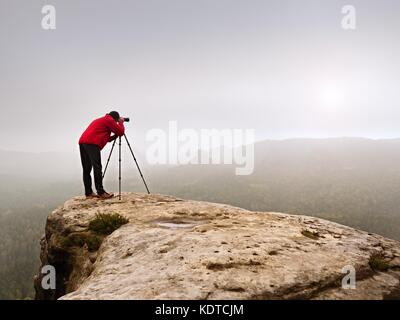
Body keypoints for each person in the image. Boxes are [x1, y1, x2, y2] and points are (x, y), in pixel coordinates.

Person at [79, 111, 125, 199]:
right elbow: (120, 132)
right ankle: (101, 192)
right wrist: (121, 123)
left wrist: (115, 136)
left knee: (86, 169)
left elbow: (107, 139)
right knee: (97, 167)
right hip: (92, 144)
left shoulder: (101, 120)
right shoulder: (110, 120)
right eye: (116, 121)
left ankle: (88, 193)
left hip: (83, 142)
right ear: (115, 119)